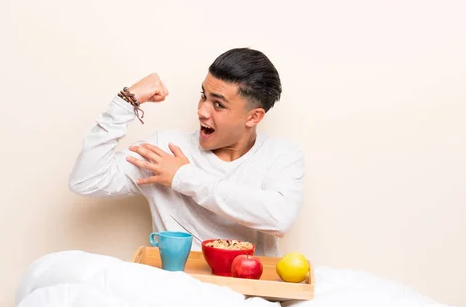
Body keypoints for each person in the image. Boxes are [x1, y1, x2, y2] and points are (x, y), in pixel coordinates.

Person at [68, 48, 304, 257]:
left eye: (218, 104)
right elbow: (86, 180)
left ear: (253, 117)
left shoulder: (281, 155)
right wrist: (125, 102)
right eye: (203, 96)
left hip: (248, 296)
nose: (201, 111)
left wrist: (183, 177)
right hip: (176, 294)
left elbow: (279, 218)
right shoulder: (165, 149)